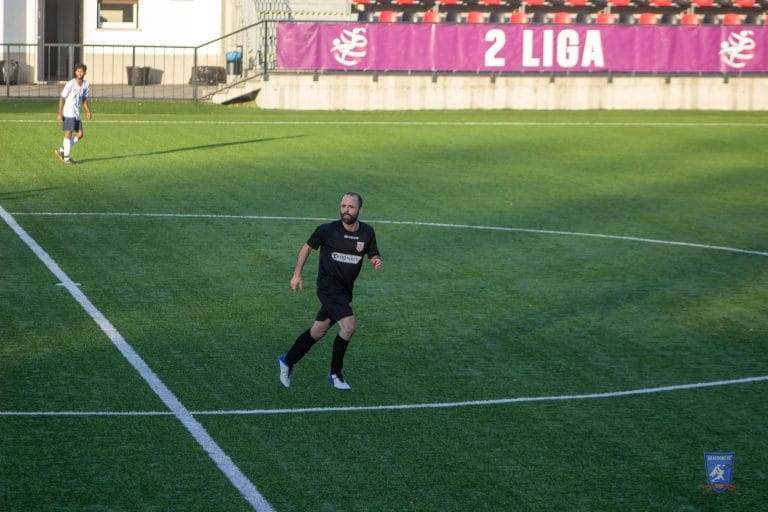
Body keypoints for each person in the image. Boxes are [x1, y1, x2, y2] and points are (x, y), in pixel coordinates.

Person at [278, 192, 383, 391]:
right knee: (349, 326)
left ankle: (287, 360)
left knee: (318, 331)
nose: (346, 210)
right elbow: (306, 248)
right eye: (343, 206)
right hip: (327, 288)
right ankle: (335, 373)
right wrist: (296, 275)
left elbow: (372, 252)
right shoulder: (327, 230)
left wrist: (376, 259)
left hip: (344, 292)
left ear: (359, 210)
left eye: (351, 207)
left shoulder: (367, 232)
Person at [54, 63, 92, 164]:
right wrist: (59, 112)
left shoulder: (86, 84)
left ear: (84, 72)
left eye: (82, 71)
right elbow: (62, 98)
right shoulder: (70, 84)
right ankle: (66, 158)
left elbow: (84, 99)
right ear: (75, 72)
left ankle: (62, 150)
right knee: (68, 133)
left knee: (80, 134)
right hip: (68, 112)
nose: (80, 73)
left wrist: (88, 111)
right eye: (78, 71)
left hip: (76, 113)